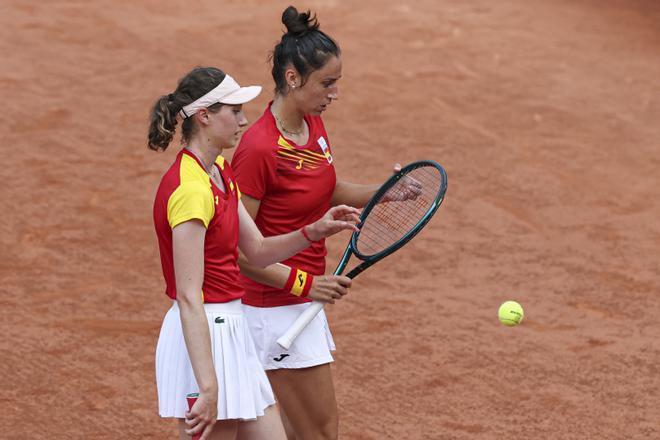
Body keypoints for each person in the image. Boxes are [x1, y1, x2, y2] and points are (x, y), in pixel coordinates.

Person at [148, 66, 360, 440]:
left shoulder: (220, 172)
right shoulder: (191, 190)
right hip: (205, 338)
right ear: (204, 116)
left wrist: (314, 230)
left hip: (232, 330)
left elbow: (258, 249)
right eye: (234, 111)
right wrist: (208, 385)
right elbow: (187, 295)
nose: (245, 120)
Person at [231, 7, 399, 440]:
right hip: (273, 308)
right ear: (292, 78)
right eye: (327, 83)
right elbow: (237, 251)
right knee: (319, 433)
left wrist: (387, 190)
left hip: (298, 299)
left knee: (289, 430)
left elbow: (325, 186)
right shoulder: (259, 148)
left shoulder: (312, 124)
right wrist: (306, 285)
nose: (335, 93)